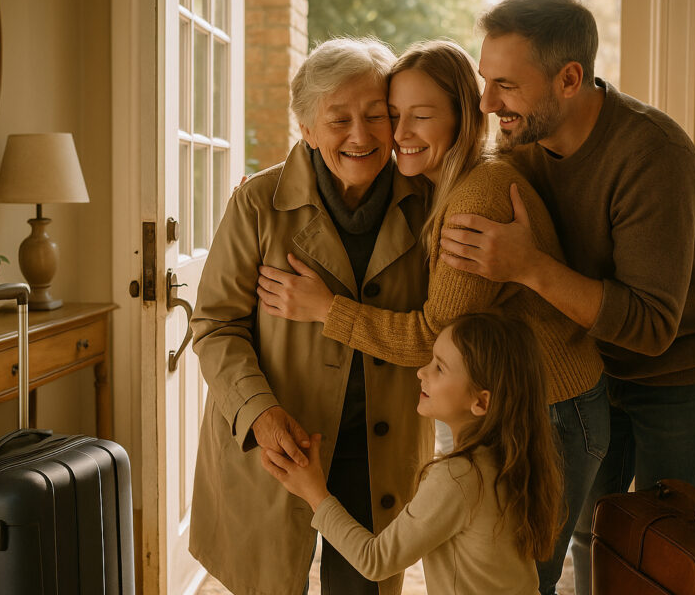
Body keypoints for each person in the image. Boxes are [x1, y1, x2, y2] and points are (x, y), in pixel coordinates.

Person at [255, 39, 603, 593]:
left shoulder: (474, 199)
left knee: (520, 579)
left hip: (553, 407)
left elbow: (428, 336)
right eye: (393, 116)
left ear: (463, 116)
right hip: (523, 398)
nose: (398, 133)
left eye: (421, 116)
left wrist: (326, 309)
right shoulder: (445, 183)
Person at [438, 0, 695, 593]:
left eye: (505, 85)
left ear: (570, 78)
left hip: (679, 369)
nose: (487, 103)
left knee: (663, 545)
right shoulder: (522, 140)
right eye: (484, 81)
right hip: (587, 366)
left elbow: (654, 327)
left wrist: (529, 266)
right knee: (586, 526)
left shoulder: (655, 156)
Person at [189, 38, 435, 595]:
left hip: (381, 450)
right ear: (305, 127)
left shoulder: (430, 204)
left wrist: (331, 309)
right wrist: (259, 412)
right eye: (339, 118)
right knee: (273, 579)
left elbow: (435, 335)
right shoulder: (257, 202)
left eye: (377, 115)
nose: (360, 134)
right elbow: (214, 325)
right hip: (277, 440)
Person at [261, 313, 563, 595]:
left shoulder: (459, 476)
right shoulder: (510, 459)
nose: (421, 372)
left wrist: (315, 493)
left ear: (481, 403)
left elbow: (375, 560)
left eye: (439, 368)